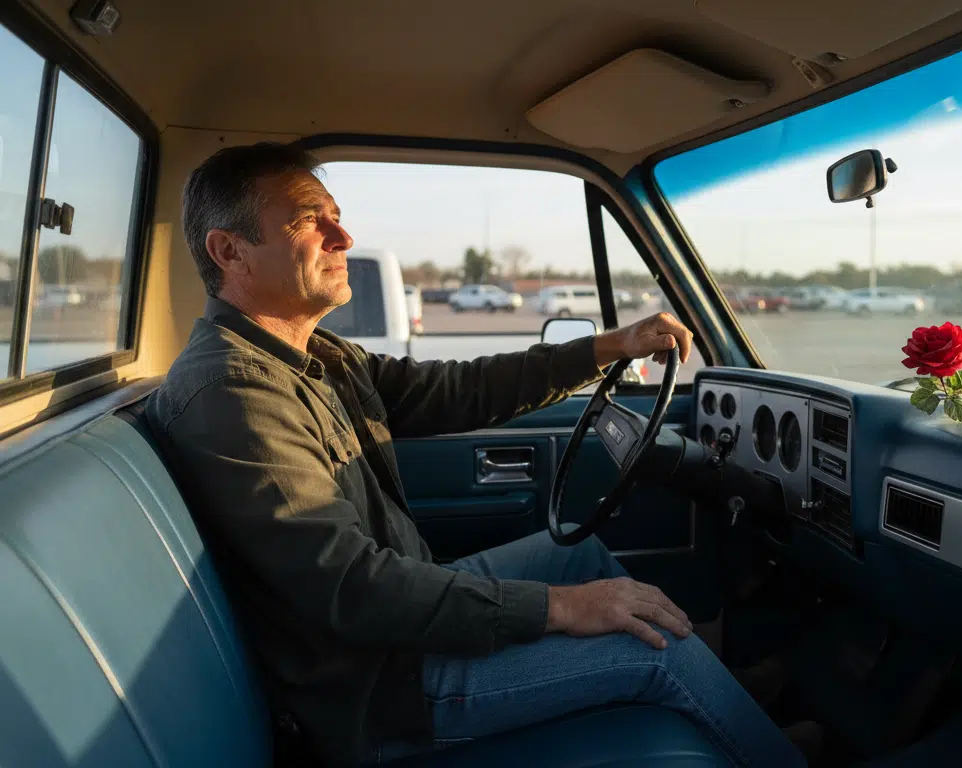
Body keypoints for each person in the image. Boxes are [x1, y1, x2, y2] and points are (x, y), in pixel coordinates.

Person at [145, 142, 811, 767]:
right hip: (381, 690)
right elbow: (349, 586)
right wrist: (564, 609)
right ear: (230, 250)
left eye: (337, 219)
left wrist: (608, 347)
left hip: (392, 640)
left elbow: (455, 389)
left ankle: (729, 702)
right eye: (307, 222)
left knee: (578, 556)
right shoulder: (232, 391)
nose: (343, 238)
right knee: (644, 645)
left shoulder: (311, 355)